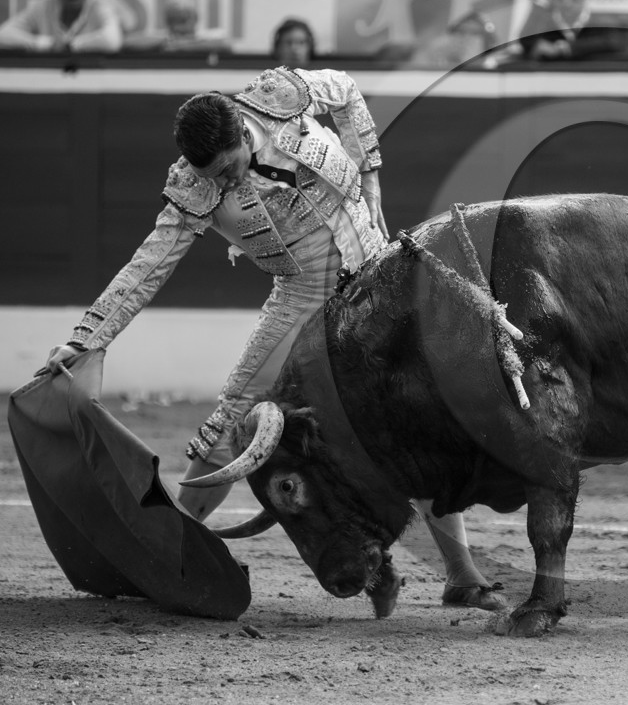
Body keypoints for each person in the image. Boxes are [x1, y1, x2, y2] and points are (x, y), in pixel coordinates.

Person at [39, 66, 505, 611]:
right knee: (237, 417)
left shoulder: (280, 95)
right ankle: (169, 553)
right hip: (305, 298)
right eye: (211, 175)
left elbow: (348, 92)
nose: (225, 183)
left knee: (415, 420)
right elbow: (147, 267)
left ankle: (463, 577)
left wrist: (371, 173)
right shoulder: (194, 188)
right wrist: (89, 337)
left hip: (378, 277)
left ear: (241, 130)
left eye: (228, 167)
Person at [517, 0, 594, 60]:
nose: (567, 2)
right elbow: (526, 43)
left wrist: (566, 49)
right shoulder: (545, 24)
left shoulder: (600, 21)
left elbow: (611, 42)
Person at [122, 0, 231, 53]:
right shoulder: (164, 38)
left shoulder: (205, 37)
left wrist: (181, 45)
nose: (182, 22)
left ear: (195, 18)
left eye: (185, 16)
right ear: (167, 20)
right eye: (176, 17)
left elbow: (224, 43)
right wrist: (166, 42)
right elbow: (126, 43)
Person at [410, 11, 499, 68]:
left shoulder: (497, 75)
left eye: (474, 33)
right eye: (461, 32)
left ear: (488, 44)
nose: (465, 38)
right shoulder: (437, 66)